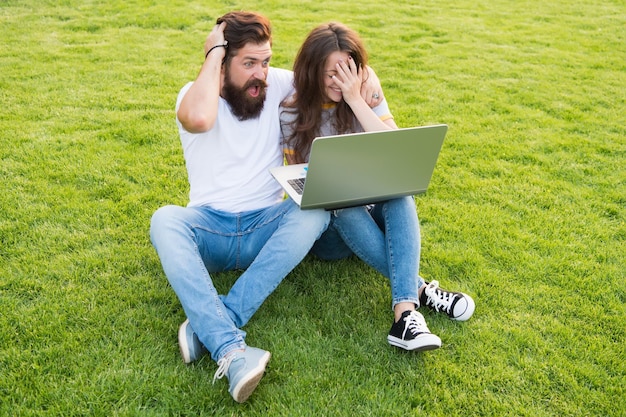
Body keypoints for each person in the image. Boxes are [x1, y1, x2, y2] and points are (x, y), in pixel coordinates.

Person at [150, 12, 384, 403]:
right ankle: (231, 350)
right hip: (210, 230)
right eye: (248, 63)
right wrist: (213, 53)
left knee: (314, 206)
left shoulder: (276, 85)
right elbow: (198, 117)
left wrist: (365, 82)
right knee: (164, 220)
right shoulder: (194, 94)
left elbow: (335, 74)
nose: (260, 74)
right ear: (221, 62)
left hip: (267, 227)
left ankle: (212, 327)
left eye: (266, 61)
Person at [280, 22, 475, 353]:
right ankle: (423, 291)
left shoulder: (365, 88)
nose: (339, 81)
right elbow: (302, 182)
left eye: (348, 71)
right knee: (341, 201)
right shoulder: (291, 107)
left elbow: (395, 152)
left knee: (399, 190)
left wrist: (357, 101)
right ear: (312, 71)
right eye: (330, 73)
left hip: (369, 207)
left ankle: (405, 315)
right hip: (328, 230)